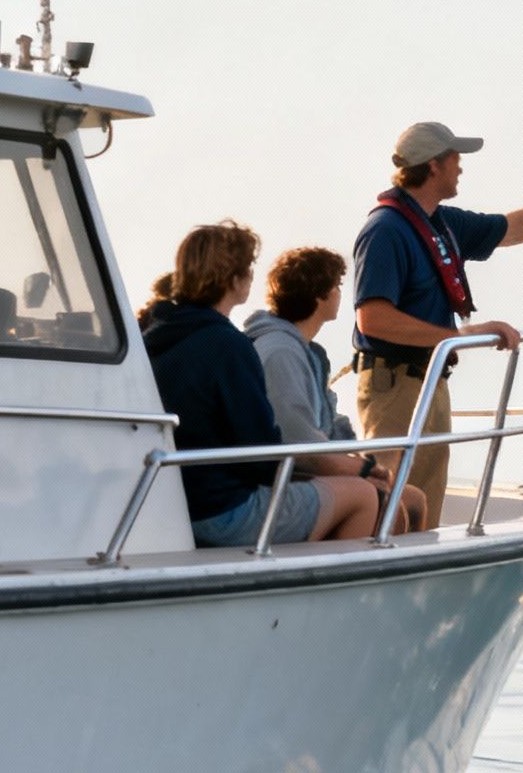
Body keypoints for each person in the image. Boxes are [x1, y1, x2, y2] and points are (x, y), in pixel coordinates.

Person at [351, 121, 523, 529]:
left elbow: (511, 229)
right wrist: (457, 337)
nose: (460, 167)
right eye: (454, 158)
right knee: (389, 498)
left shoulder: (441, 222)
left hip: (429, 380)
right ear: (433, 166)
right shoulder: (385, 230)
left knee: (424, 501)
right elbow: (373, 319)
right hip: (393, 385)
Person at [140, 221, 381, 548]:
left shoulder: (156, 338)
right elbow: (261, 454)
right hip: (223, 511)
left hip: (173, 502)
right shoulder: (227, 345)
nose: (252, 276)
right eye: (248, 268)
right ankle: (317, 596)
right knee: (363, 496)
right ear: (234, 279)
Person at [244, 246, 427, 532]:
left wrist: (359, 460)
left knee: (414, 499)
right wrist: (360, 472)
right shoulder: (280, 352)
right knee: (390, 504)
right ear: (320, 294)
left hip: (312, 466)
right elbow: (296, 437)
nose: (342, 293)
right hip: (288, 473)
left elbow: (330, 421)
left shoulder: (308, 352)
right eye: (338, 285)